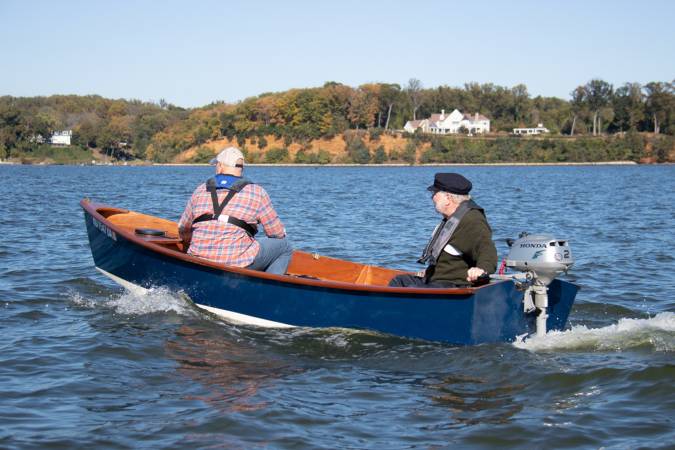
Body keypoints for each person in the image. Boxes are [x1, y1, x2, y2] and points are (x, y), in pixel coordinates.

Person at [178, 146, 292, 275]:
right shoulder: (257, 192)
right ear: (241, 168)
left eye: (216, 165)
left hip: (198, 259)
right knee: (285, 246)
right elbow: (276, 234)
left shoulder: (200, 190)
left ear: (220, 166)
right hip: (235, 262)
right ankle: (268, 289)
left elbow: (183, 228)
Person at [389, 173, 497, 288]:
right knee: (399, 281)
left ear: (448, 198)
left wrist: (481, 270)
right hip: (436, 280)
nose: (432, 197)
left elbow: (487, 251)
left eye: (435, 193)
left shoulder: (472, 220)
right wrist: (430, 271)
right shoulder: (451, 218)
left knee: (408, 289)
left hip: (452, 285)